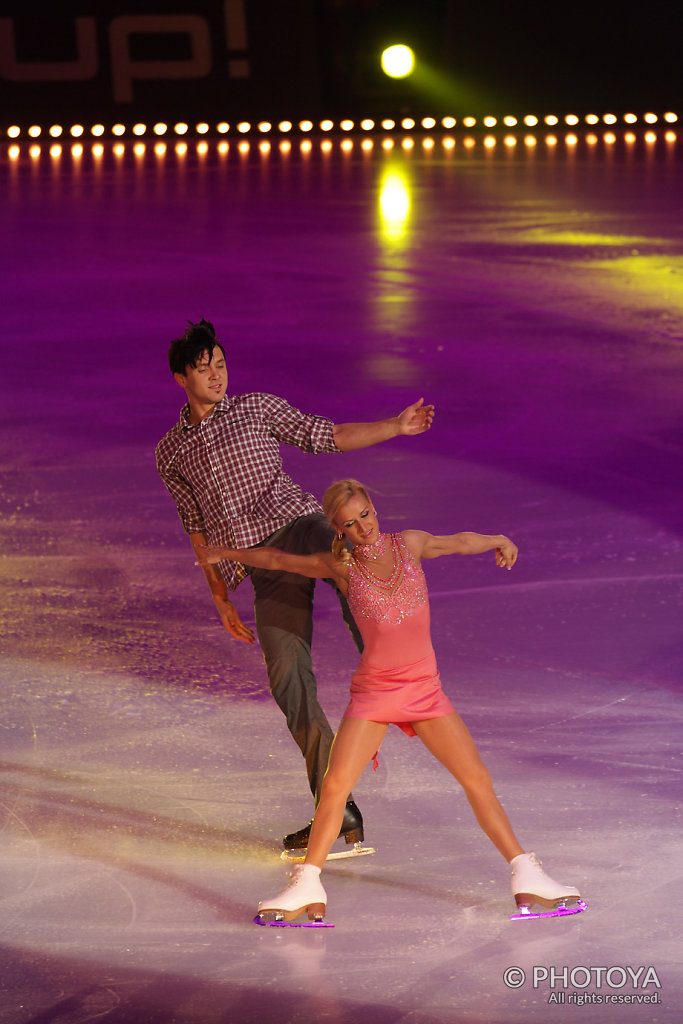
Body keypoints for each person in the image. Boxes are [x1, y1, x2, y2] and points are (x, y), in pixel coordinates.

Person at [196, 479, 585, 924]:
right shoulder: (339, 567)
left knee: (476, 778)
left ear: (374, 509)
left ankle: (526, 874)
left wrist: (498, 539)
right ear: (337, 530)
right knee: (336, 786)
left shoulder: (410, 545)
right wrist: (227, 555)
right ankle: (306, 884)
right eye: (349, 523)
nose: (362, 527)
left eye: (365, 515)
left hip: (425, 690)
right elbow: (278, 559)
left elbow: (457, 542)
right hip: (376, 694)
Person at [155, 319, 434, 850]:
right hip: (260, 565)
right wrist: (219, 597)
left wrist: (395, 427)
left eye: (220, 363)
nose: (216, 375)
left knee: (353, 568)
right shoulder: (172, 452)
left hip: (299, 527)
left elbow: (326, 436)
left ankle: (397, 679)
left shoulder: (256, 408)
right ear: (180, 378)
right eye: (202, 367)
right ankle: (338, 808)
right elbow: (195, 528)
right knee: (288, 680)